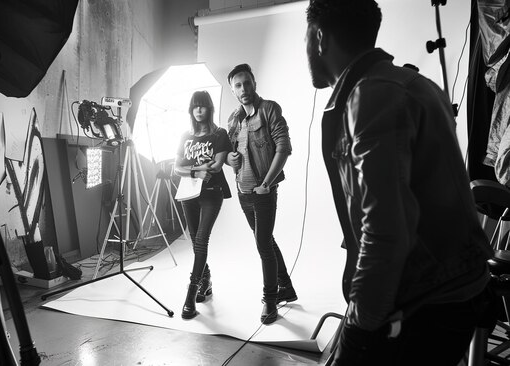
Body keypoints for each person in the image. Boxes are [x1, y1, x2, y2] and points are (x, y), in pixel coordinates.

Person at [304, 0, 495, 364]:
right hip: (447, 293)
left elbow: (386, 231)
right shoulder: (411, 83)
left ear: (318, 37)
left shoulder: (371, 95)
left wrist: (357, 333)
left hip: (427, 304)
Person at [225, 63, 297, 325]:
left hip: (262, 190)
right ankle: (286, 287)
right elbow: (231, 155)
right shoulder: (234, 119)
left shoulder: (269, 110)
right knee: (264, 239)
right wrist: (230, 160)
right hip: (243, 191)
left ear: (254, 83)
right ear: (233, 90)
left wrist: (267, 183)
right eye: (238, 85)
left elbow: (283, 147)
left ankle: (270, 299)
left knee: (262, 244)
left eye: (247, 82)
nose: (244, 89)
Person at [174, 90, 233, 319]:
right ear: (191, 110)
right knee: (194, 240)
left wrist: (196, 169)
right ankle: (205, 280)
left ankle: (190, 293)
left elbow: (217, 167)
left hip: (211, 193)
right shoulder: (185, 136)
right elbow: (176, 169)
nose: (199, 110)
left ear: (210, 108)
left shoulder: (219, 134)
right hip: (188, 193)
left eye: (203, 106)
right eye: (195, 106)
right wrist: (197, 170)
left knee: (201, 239)